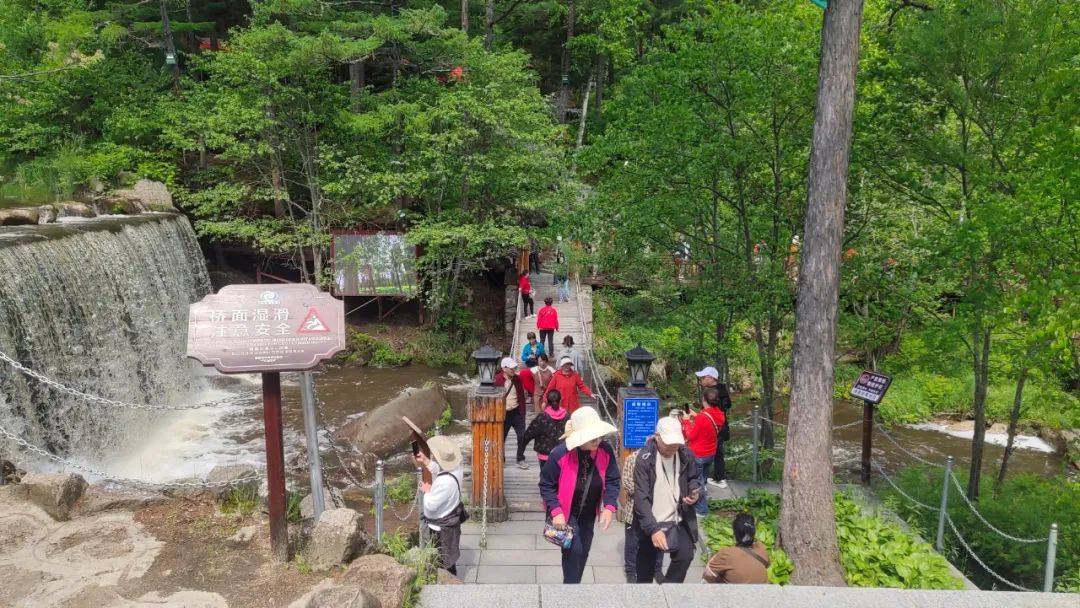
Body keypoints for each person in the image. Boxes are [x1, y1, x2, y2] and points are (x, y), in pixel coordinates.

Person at [538, 406, 621, 584]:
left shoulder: (605, 451)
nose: (597, 440)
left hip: (589, 512)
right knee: (573, 550)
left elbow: (613, 480)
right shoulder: (560, 454)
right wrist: (556, 511)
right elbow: (546, 485)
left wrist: (609, 507)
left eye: (599, 436)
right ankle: (572, 591)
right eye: (592, 437)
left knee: (583, 551)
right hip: (566, 513)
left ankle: (574, 586)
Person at [632, 416, 701, 584]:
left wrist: (694, 491)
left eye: (676, 444)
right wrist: (653, 529)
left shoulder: (685, 454)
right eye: (668, 444)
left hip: (678, 518)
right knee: (646, 566)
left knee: (685, 555)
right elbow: (641, 498)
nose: (672, 448)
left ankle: (669, 591)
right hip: (652, 519)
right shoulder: (644, 459)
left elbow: (694, 477)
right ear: (657, 436)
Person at [417, 435, 466, 576]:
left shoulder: (444, 482)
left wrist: (426, 491)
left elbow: (430, 505)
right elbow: (440, 469)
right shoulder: (457, 469)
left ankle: (448, 586)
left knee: (443, 561)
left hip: (440, 527)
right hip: (451, 517)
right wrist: (427, 462)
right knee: (448, 556)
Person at [621, 438, 665, 583]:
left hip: (657, 508)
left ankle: (657, 569)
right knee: (632, 542)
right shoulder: (632, 458)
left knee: (658, 539)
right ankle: (631, 571)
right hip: (634, 508)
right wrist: (644, 491)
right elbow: (626, 482)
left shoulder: (663, 459)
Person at [681, 387, 726, 516]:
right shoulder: (720, 415)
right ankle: (702, 499)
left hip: (699, 455)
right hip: (710, 453)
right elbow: (709, 425)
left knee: (697, 483)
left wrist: (685, 421)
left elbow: (690, 435)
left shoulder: (702, 417)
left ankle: (701, 510)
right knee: (703, 480)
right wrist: (697, 416)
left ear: (704, 400)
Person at [703, 513, 769, 584]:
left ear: (734, 535)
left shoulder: (726, 553)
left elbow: (707, 575)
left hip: (736, 593)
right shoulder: (761, 548)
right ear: (753, 533)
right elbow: (767, 565)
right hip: (761, 593)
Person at [695, 366, 729, 489]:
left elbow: (714, 412)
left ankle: (720, 478)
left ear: (711, 378)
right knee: (717, 451)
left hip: (716, 428)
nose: (701, 380)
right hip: (719, 427)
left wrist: (702, 417)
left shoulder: (715, 393)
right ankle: (717, 477)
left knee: (717, 452)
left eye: (703, 377)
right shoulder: (721, 390)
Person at [494, 357, 529, 469]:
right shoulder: (496, 380)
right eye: (511, 368)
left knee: (522, 436)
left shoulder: (518, 379)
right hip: (503, 414)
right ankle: (501, 459)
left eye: (514, 368)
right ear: (504, 368)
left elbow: (521, 397)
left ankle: (520, 458)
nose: (514, 370)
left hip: (516, 412)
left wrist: (523, 413)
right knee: (501, 438)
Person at [522, 389, 569, 467]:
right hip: (562, 454)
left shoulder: (542, 417)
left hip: (545, 455)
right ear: (560, 399)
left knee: (545, 478)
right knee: (561, 478)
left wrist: (521, 449)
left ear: (547, 400)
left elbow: (529, 433)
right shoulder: (567, 416)